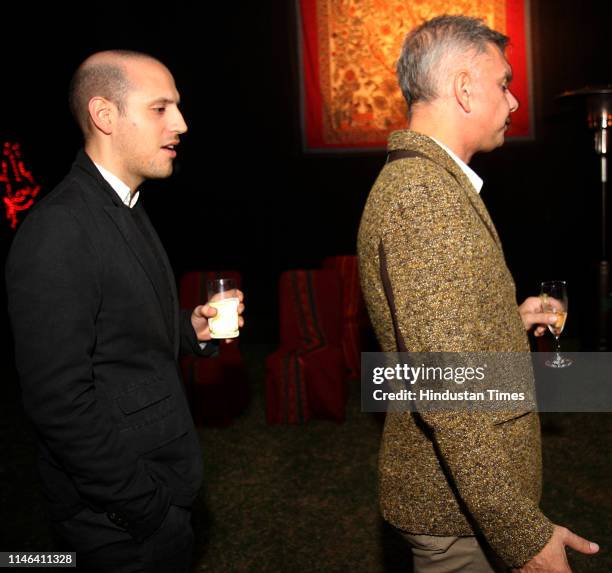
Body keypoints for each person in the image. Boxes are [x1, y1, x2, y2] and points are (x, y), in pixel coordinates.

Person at [357, 15, 598, 573]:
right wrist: (522, 534)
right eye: (504, 83)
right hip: (456, 512)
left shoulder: (431, 182)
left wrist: (505, 322)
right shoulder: (423, 198)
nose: (513, 102)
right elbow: (447, 391)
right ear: (465, 88)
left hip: (464, 503)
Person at [6, 50, 244, 573]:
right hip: (116, 522)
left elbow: (120, 342)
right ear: (105, 115)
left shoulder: (125, 206)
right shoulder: (59, 230)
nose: (181, 124)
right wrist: (143, 505)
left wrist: (190, 329)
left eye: (177, 107)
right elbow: (57, 403)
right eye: (161, 108)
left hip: (152, 495)